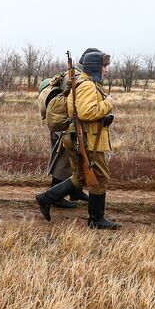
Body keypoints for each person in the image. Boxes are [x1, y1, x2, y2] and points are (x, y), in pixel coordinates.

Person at [36, 48, 119, 229]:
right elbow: (86, 112)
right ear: (96, 67)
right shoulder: (88, 85)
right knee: (100, 177)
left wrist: (104, 117)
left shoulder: (82, 82)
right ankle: (96, 219)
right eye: (104, 66)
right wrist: (108, 104)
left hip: (83, 136)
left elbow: (81, 112)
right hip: (89, 139)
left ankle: (46, 198)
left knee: (80, 176)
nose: (106, 70)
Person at [37, 73, 82, 210]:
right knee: (61, 162)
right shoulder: (64, 86)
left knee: (68, 162)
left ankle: (74, 191)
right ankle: (56, 197)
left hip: (60, 125)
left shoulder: (57, 84)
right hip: (61, 127)